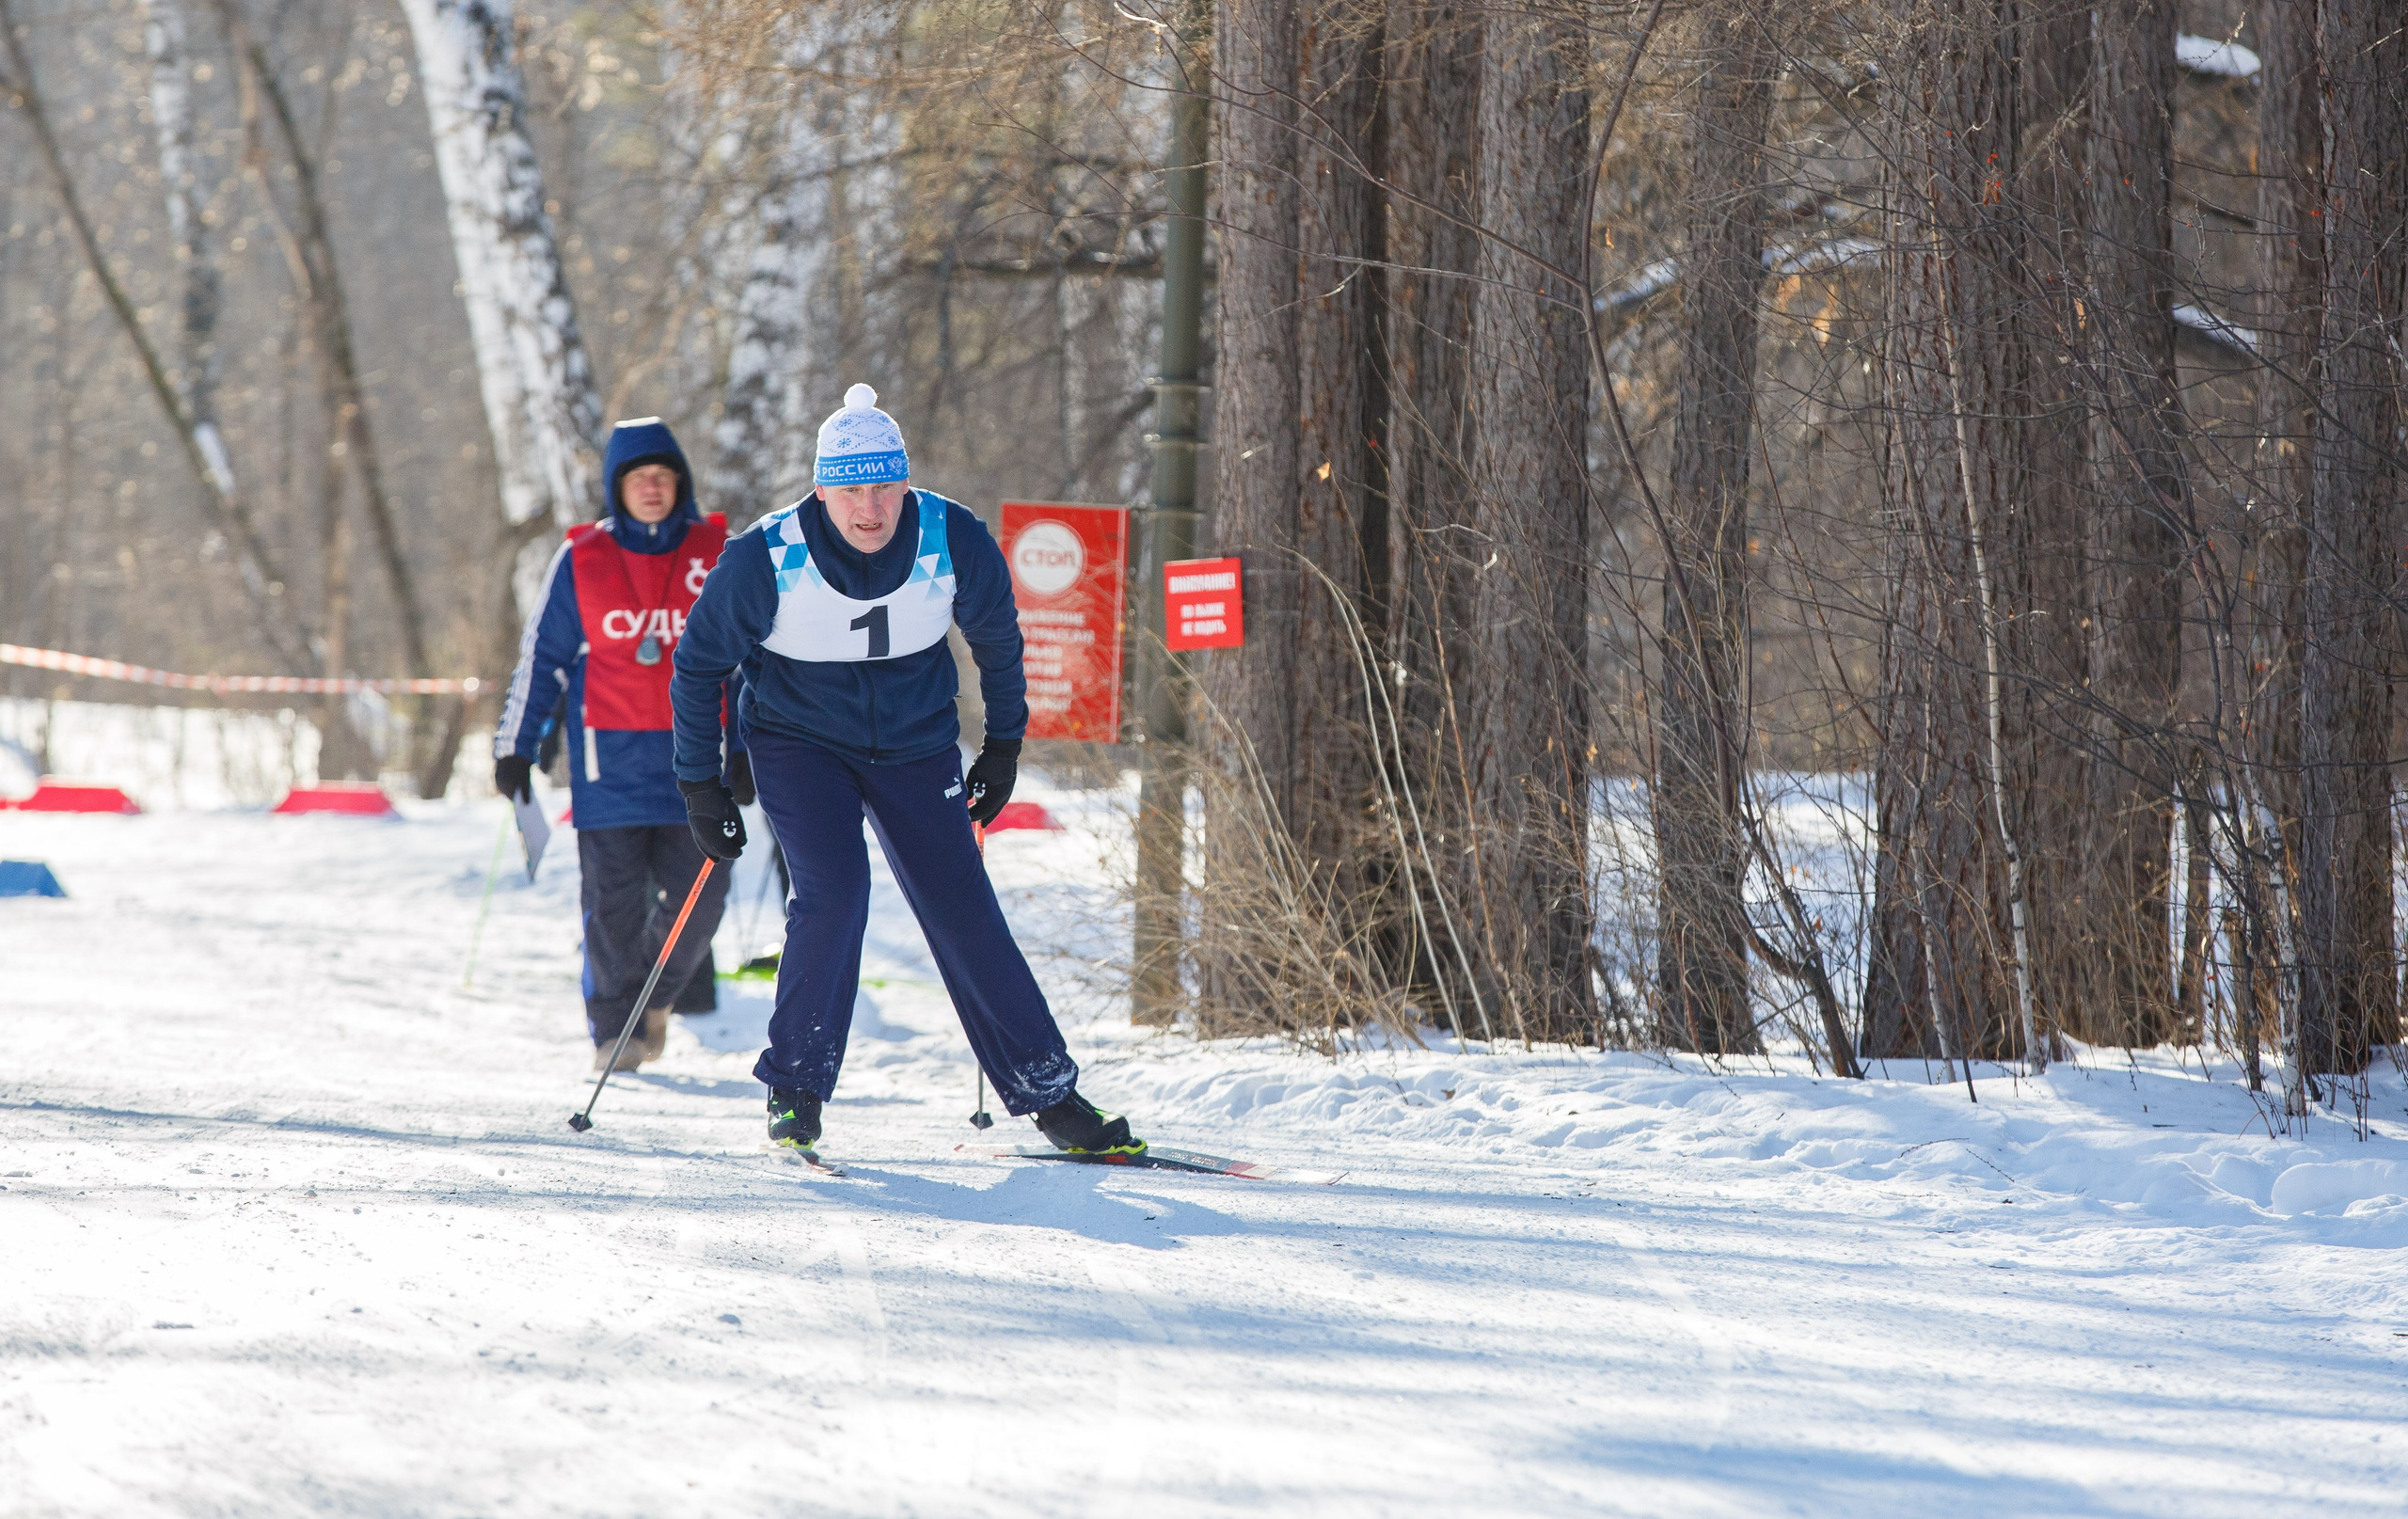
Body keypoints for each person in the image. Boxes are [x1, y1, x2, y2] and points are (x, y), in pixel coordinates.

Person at [667, 384, 1140, 1157]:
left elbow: (999, 641)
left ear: (905, 483)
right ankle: (796, 1086)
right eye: (851, 488)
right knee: (834, 891)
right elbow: (696, 666)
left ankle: (1051, 1095)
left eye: (885, 485)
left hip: (917, 743)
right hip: (797, 740)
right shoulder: (767, 554)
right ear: (821, 488)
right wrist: (700, 783)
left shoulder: (952, 534)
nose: (870, 507)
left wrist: (1004, 745)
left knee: (961, 903)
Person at [495, 418, 744, 1070]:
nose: (653, 488)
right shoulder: (582, 558)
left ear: (680, 482)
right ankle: (615, 1029)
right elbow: (542, 659)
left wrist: (747, 749)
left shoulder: (717, 550)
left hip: (697, 768)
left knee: (704, 897)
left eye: (664, 477)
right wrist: (517, 747)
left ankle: (652, 1001)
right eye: (639, 479)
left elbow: (754, 661)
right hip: (609, 770)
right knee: (611, 910)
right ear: (618, 487)